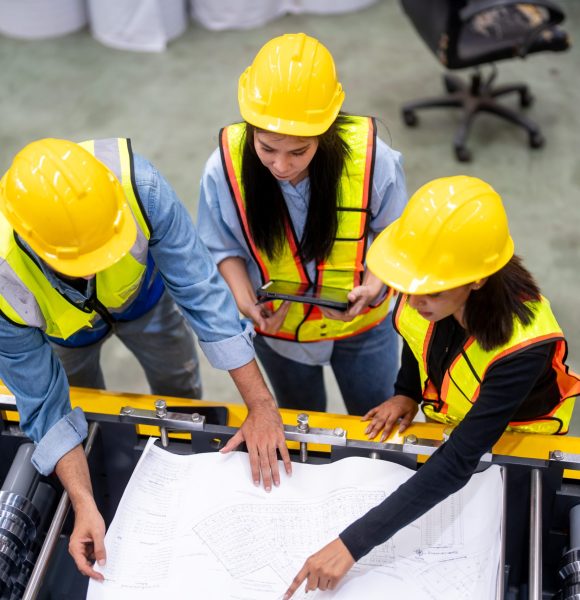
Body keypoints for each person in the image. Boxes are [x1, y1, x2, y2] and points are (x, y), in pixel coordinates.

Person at [0, 137, 291, 581]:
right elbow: (43, 403)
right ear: (33, 244)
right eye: (80, 261)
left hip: (145, 302)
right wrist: (84, 503)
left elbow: (200, 290)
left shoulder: (138, 187)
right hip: (62, 331)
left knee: (178, 386)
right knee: (83, 403)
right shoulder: (4, 274)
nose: (95, 269)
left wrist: (261, 404)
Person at [284, 175, 580, 598]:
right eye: (409, 285)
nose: (413, 298)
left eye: (430, 292)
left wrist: (351, 545)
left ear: (477, 280)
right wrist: (406, 391)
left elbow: (459, 459)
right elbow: (415, 339)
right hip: (449, 419)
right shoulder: (422, 282)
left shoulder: (523, 345)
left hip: (516, 440)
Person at [197, 33, 407, 416]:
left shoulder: (373, 158)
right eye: (266, 149)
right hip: (279, 331)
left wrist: (374, 284)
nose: (280, 165)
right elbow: (221, 246)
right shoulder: (224, 168)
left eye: (299, 151)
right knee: (302, 425)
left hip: (363, 326)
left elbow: (395, 232)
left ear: (325, 131)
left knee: (376, 423)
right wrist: (244, 299)